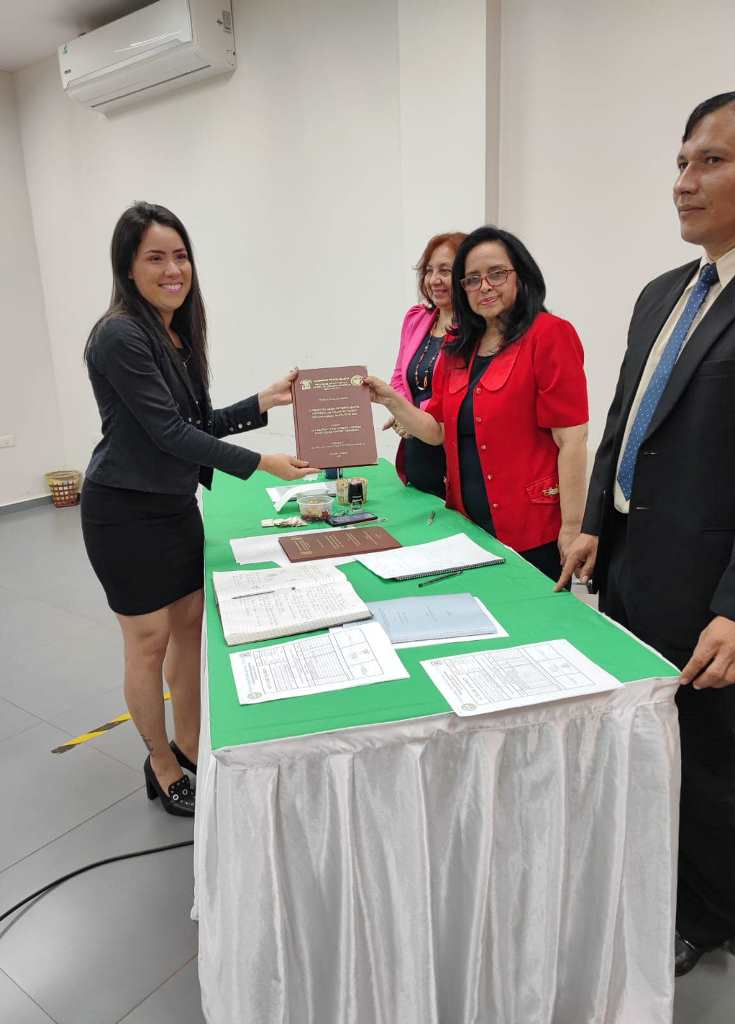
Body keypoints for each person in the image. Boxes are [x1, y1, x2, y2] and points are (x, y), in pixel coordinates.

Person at [557, 91, 735, 975]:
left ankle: (710, 913)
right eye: (681, 161)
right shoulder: (663, 293)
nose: (684, 182)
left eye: (711, 161)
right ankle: (645, 872)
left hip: (719, 584)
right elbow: (624, 420)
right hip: (635, 561)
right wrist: (594, 522)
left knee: (710, 749)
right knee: (643, 731)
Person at [81, 202, 316, 817]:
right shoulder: (119, 334)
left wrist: (261, 402)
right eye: (155, 257)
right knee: (148, 640)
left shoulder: (176, 332)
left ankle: (190, 744)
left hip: (174, 506)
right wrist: (262, 463)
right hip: (123, 511)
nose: (172, 269)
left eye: (180, 255)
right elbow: (166, 433)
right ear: (128, 268)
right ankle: (160, 763)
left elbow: (194, 423)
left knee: (191, 629)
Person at [367, 225, 588, 581]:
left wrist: (573, 527)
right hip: (468, 526)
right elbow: (437, 431)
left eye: (496, 274)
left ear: (522, 276)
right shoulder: (458, 348)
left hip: (532, 530)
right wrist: (392, 400)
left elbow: (572, 440)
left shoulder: (549, 334)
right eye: (471, 279)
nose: (484, 286)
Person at [388, 232, 466, 496]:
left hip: (454, 455)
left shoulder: (475, 332)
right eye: (429, 270)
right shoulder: (416, 318)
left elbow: (458, 396)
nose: (434, 280)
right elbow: (399, 376)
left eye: (445, 270)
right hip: (415, 452)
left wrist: (409, 416)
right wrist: (403, 413)